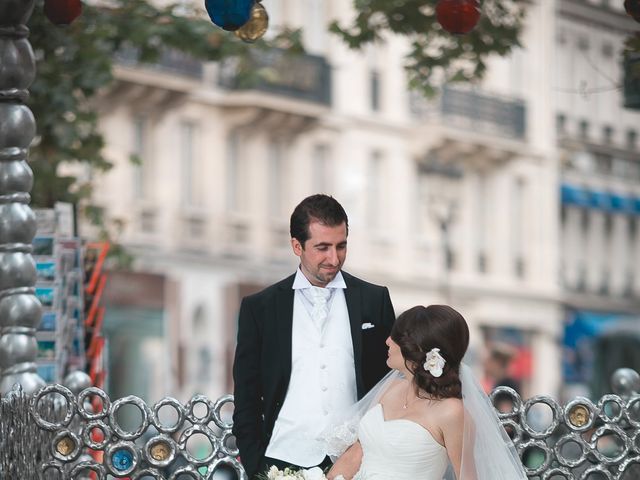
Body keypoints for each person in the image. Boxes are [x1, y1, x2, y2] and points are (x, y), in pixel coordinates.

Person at [232, 194, 396, 479]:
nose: (334, 258)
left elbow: (393, 381)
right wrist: (255, 463)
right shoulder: (260, 308)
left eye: (341, 246)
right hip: (280, 460)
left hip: (359, 461)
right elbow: (246, 394)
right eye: (322, 247)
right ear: (297, 246)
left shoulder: (374, 300)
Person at [325, 305, 527, 480]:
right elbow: (358, 452)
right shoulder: (390, 388)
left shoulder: (451, 411)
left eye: (396, 337)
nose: (387, 341)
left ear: (417, 347)